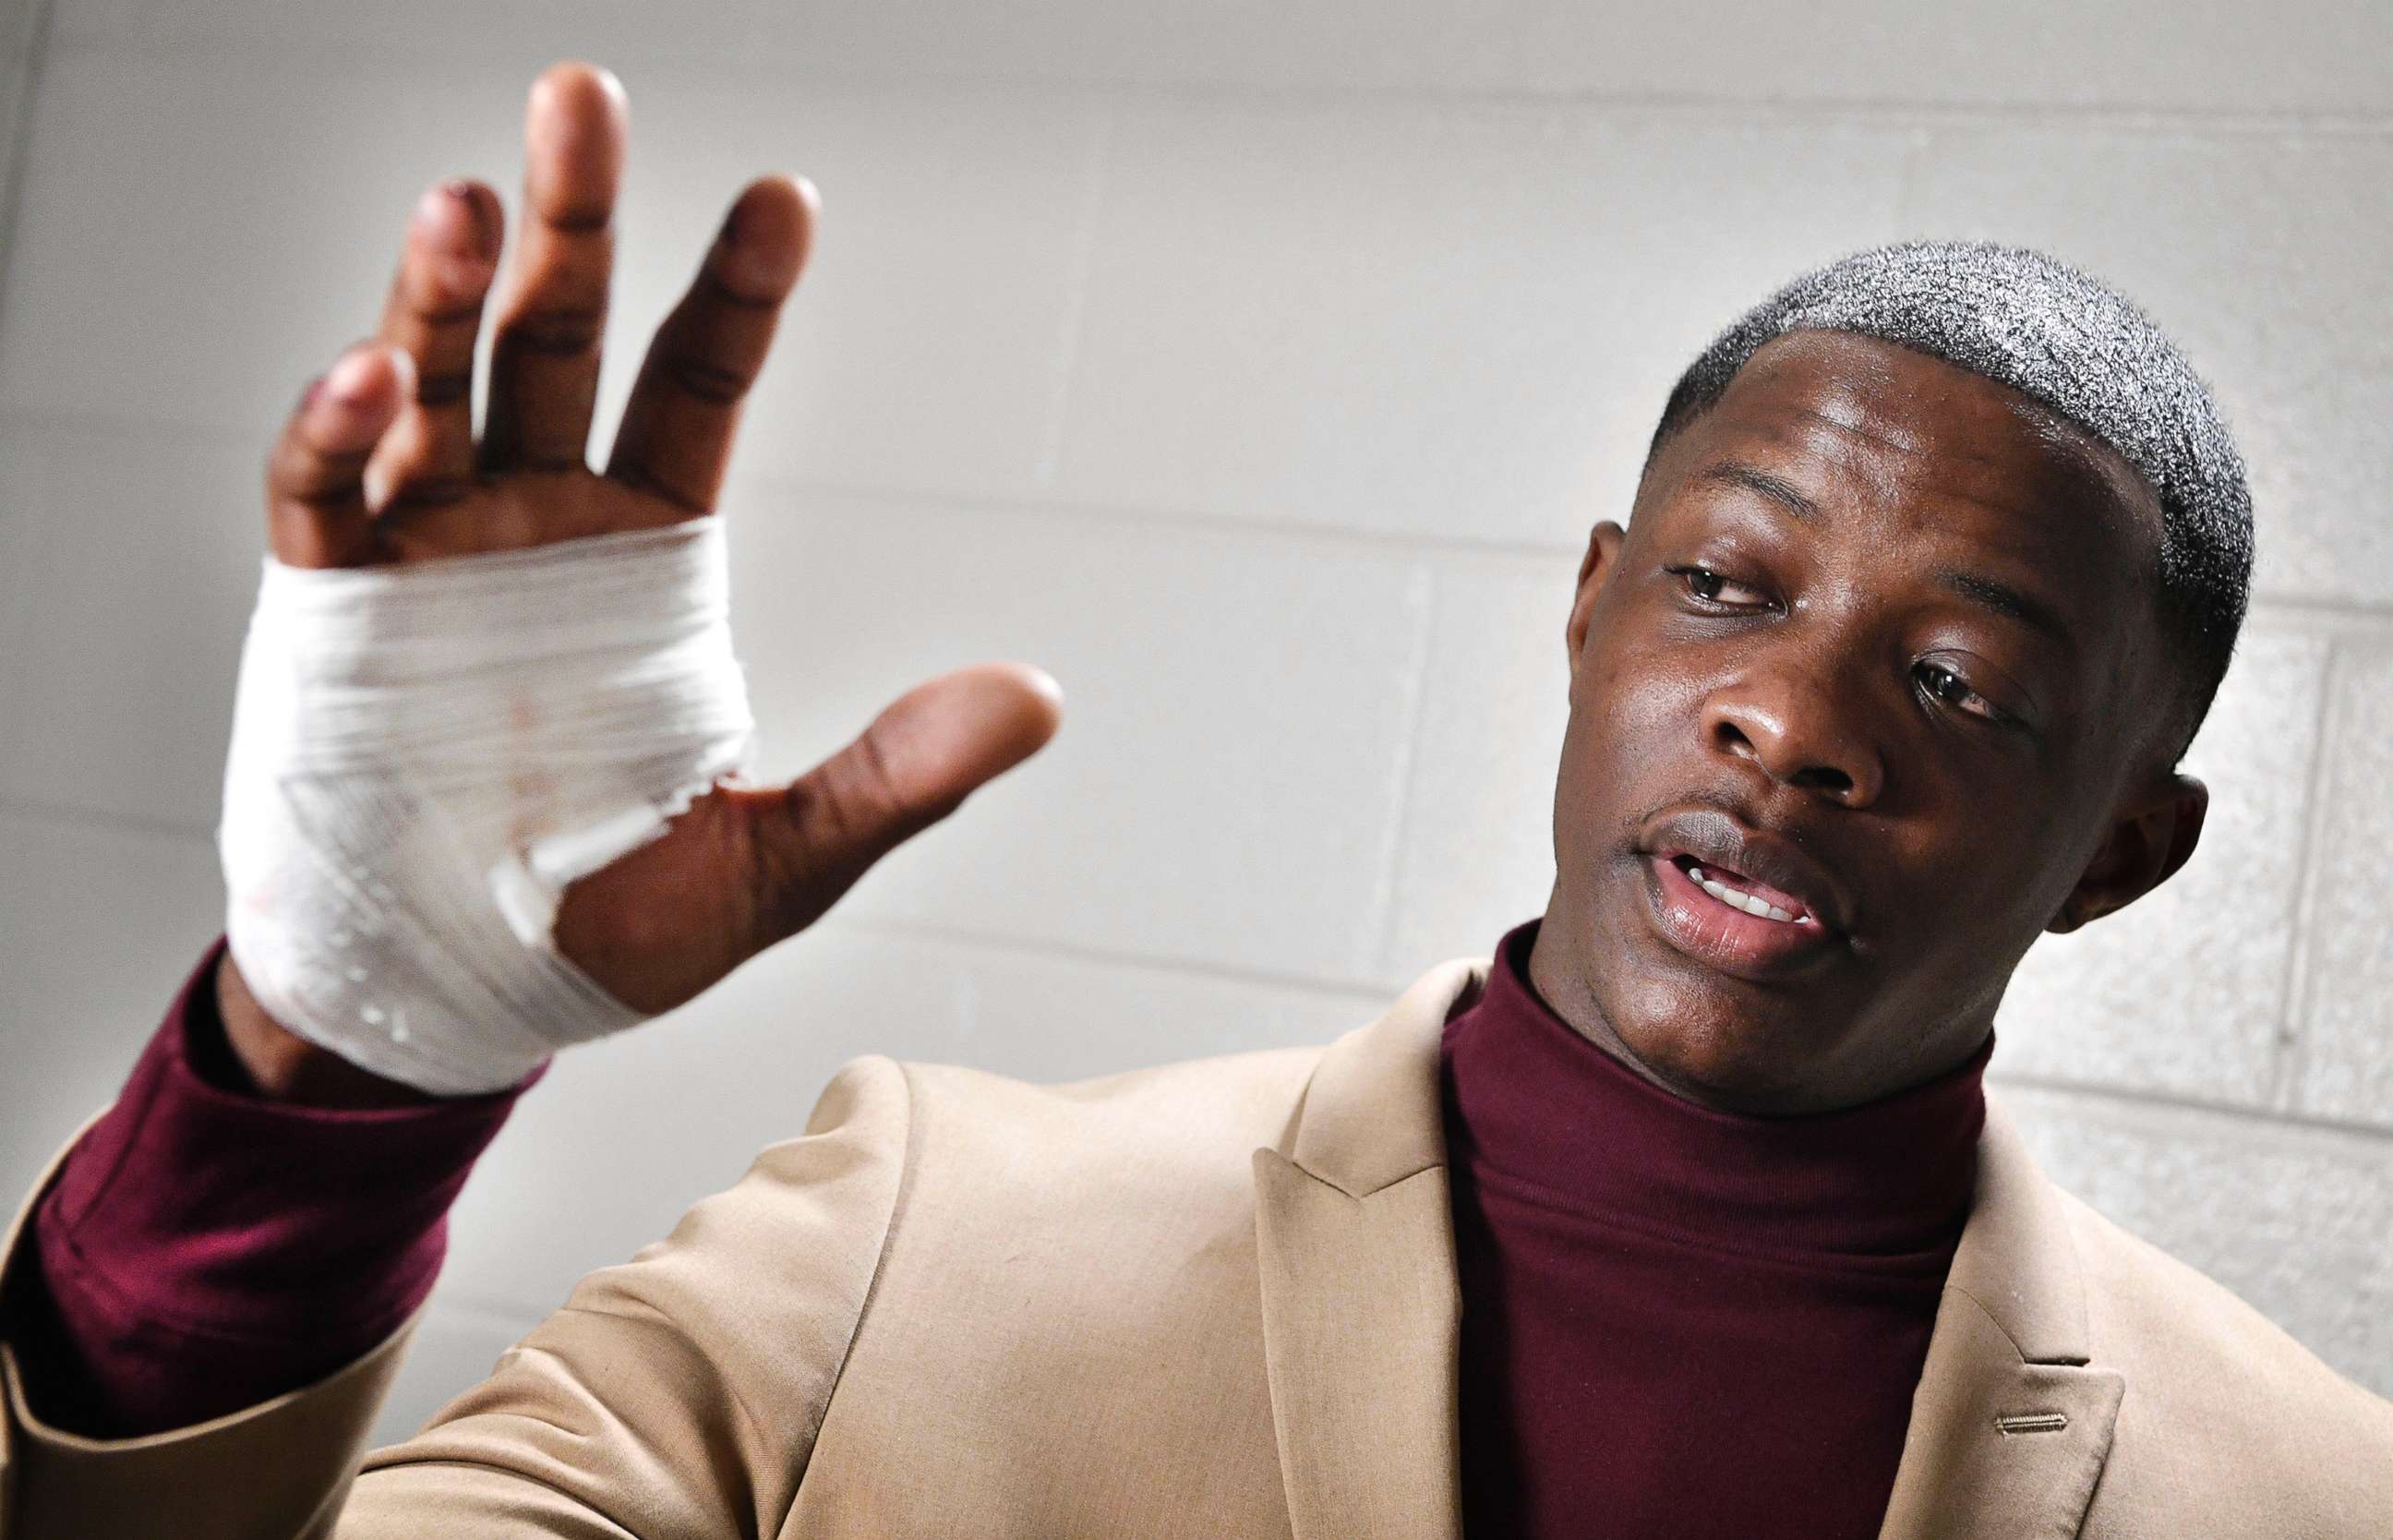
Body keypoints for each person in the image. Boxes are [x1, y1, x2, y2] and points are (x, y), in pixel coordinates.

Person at [0, 59, 2387, 1540]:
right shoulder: (914, 1237)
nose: (1793, 721)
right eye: (1729, 584)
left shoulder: (2312, 1494)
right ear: (1588, 615)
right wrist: (331, 1081)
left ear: (2118, 851)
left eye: (1962, 683)